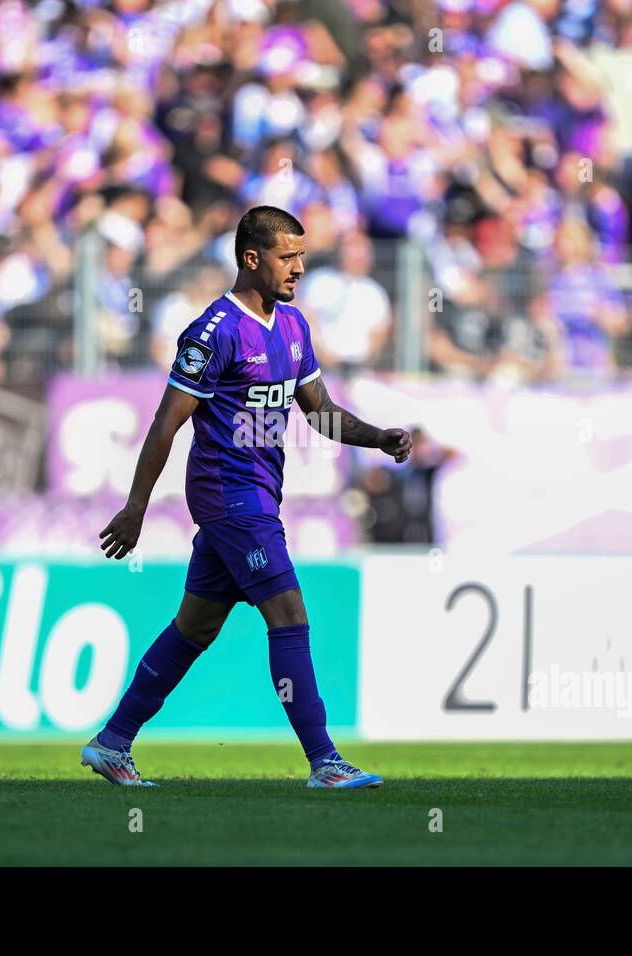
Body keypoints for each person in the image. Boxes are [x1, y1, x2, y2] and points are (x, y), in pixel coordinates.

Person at [86, 206, 412, 789]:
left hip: (259, 494)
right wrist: (136, 507)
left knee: (196, 627)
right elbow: (166, 424)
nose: (300, 268)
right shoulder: (214, 332)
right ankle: (325, 761)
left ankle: (113, 742)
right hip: (228, 494)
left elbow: (322, 414)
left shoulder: (292, 326)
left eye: (303, 256)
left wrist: (377, 438)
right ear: (251, 258)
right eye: (288, 257)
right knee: (288, 613)